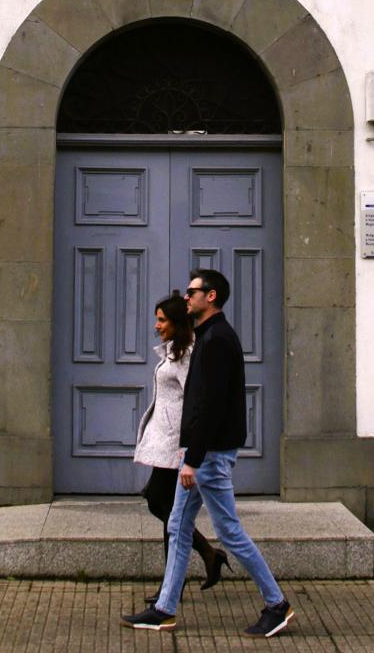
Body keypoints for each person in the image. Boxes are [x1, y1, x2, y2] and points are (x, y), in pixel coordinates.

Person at [121, 269, 295, 638]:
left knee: (229, 532)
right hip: (204, 452)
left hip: (210, 456)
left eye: (192, 292)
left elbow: (209, 406)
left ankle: (277, 604)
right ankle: (164, 609)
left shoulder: (216, 341)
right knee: (178, 526)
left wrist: (192, 459)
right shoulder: (208, 337)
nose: (186, 298)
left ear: (210, 296)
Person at [132, 293, 229, 604]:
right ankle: (205, 557)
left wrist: (190, 446)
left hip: (176, 443)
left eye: (162, 320)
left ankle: (183, 575)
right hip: (166, 440)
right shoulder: (176, 351)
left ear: (176, 323)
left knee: (162, 505)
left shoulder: (187, 355)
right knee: (165, 506)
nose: (157, 325)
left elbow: (198, 400)